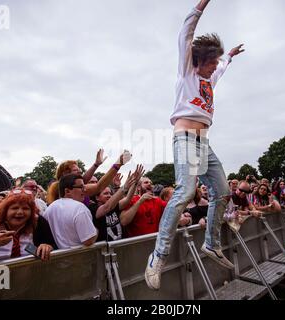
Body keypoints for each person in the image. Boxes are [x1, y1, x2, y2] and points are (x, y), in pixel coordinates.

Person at [145, 0, 245, 290]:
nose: (214, 66)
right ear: (198, 60)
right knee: (186, 190)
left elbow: (223, 67)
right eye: (211, 61)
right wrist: (202, 5)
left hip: (205, 144)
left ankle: (211, 244)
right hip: (185, 138)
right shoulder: (187, 71)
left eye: (216, 63)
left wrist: (231, 57)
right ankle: (158, 255)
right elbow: (186, 33)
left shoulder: (209, 79)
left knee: (223, 192)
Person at [0, 189, 56, 264]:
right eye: (15, 208)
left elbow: (52, 245)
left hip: (30, 275)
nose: (20, 212)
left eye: (25, 208)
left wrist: (47, 246)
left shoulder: (38, 222)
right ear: (5, 210)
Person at [43, 174, 98, 249]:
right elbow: (88, 240)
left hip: (59, 258)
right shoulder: (79, 208)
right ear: (67, 191)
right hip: (80, 258)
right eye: (81, 187)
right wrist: (96, 231)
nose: (84, 190)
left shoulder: (49, 209)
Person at [90, 165, 143, 242]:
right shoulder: (93, 208)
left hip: (120, 246)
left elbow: (127, 199)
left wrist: (134, 183)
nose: (109, 195)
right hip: (106, 250)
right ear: (97, 197)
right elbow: (106, 207)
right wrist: (124, 187)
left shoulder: (114, 206)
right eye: (105, 193)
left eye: (110, 193)